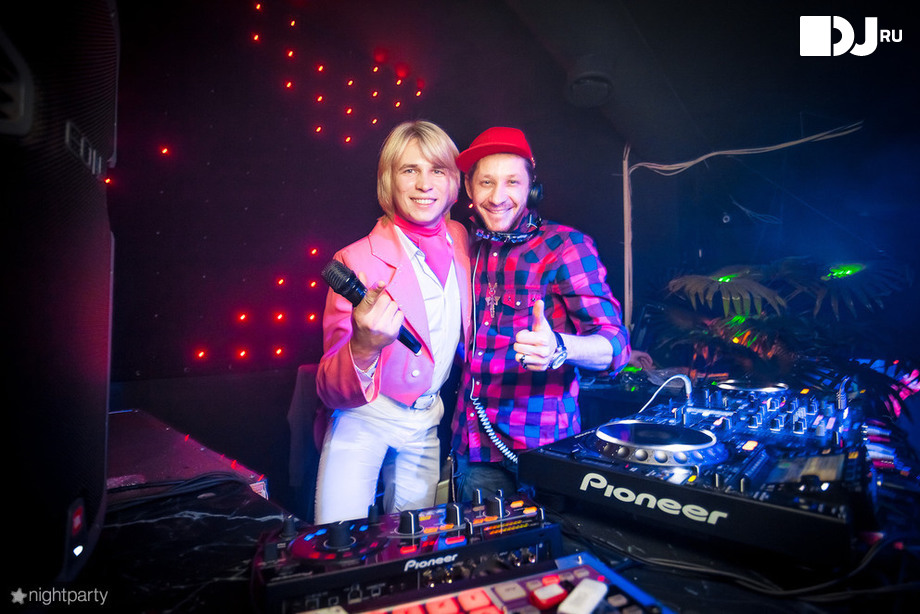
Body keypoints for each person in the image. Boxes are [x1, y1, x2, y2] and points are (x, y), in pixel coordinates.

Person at [451, 126, 631, 499]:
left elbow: (617, 345)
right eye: (486, 182)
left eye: (512, 182)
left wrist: (560, 347)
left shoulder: (565, 246)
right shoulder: (467, 247)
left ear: (532, 186)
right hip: (474, 446)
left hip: (543, 449)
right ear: (469, 187)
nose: (497, 197)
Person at [315, 120, 471, 523]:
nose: (424, 184)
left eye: (437, 170)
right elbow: (329, 388)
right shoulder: (355, 259)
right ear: (389, 180)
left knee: (415, 547)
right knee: (338, 539)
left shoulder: (461, 240)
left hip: (428, 421)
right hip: (364, 417)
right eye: (409, 170)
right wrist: (363, 347)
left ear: (454, 181)